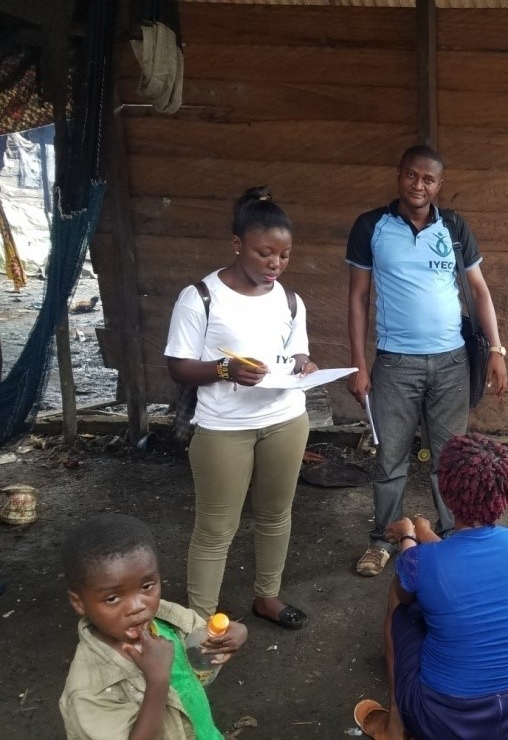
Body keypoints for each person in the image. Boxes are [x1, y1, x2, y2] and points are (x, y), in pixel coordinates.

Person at [346, 144, 508, 578]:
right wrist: (360, 364)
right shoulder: (371, 226)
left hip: (453, 363)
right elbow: (359, 298)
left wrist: (496, 349)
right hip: (396, 364)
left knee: (450, 458)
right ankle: (384, 538)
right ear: (399, 176)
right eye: (411, 176)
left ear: (440, 184)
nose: (419, 185)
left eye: (429, 179)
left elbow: (479, 291)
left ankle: (454, 538)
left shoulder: (453, 227)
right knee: (390, 459)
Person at [165, 187, 317, 629]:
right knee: (215, 529)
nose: (275, 264)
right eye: (265, 253)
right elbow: (177, 366)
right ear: (237, 245)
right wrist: (224, 368)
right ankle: (198, 623)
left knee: (275, 515)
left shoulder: (288, 299)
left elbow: (298, 352)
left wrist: (305, 364)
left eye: (284, 255)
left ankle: (267, 596)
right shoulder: (200, 297)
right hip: (223, 428)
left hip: (285, 420)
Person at [354, 434, 508, 740]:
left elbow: (419, 574)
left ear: (445, 489)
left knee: (401, 606)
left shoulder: (423, 561)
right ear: (506, 492)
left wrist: (408, 534)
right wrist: (423, 531)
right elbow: (464, 560)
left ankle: (395, 724)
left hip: (445, 722)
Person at [60, 513, 248, 740]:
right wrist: (158, 679)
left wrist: (235, 633)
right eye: (112, 599)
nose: (137, 607)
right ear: (79, 602)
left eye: (146, 586)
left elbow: (205, 634)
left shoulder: (166, 620)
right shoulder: (90, 689)